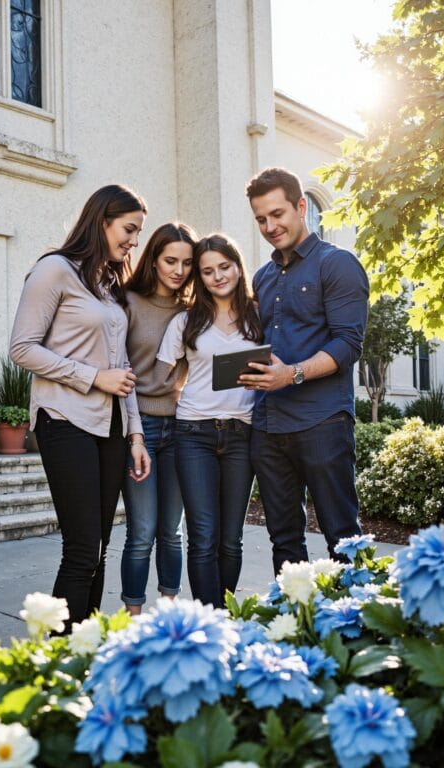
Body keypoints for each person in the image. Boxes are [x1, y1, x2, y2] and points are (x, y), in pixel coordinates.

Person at [9, 184, 151, 633]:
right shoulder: (54, 270)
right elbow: (22, 348)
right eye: (129, 229)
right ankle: (56, 653)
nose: (134, 240)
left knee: (100, 548)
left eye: (138, 232)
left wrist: (136, 434)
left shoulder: (107, 285)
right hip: (64, 420)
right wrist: (92, 377)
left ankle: (84, 648)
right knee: (82, 548)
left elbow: (122, 368)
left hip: (111, 426)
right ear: (102, 221)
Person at [239, 167, 369, 575]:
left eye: (277, 214)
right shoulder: (261, 278)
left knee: (342, 537)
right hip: (268, 426)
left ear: (301, 207)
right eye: (261, 219)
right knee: (284, 540)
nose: (270, 227)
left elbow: (348, 344)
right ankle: (296, 612)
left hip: (322, 422)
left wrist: (291, 374)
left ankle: (354, 612)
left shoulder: (337, 264)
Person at [156, 234, 262, 608]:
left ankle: (224, 616)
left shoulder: (259, 316)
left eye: (224, 267)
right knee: (203, 536)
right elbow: (159, 376)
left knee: (231, 538)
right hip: (193, 434)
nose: (218, 276)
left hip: (242, 434)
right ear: (199, 277)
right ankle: (209, 618)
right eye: (207, 271)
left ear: (238, 268)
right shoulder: (186, 321)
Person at [120, 222, 198, 615]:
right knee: (142, 530)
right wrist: (135, 434)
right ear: (153, 259)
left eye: (187, 262)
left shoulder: (194, 310)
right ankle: (133, 619)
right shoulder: (128, 302)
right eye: (170, 261)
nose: (179, 270)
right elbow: (118, 369)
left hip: (181, 427)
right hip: (139, 427)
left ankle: (168, 615)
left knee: (172, 531)